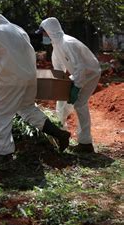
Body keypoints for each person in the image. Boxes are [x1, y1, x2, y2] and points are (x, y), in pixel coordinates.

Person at [0, 8, 70, 164]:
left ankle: (4, 155)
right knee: (27, 109)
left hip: (11, 80)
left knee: (1, 115)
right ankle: (60, 134)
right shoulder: (18, 29)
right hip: (29, 77)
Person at [36, 17, 101, 153]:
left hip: (90, 73)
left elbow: (81, 67)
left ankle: (85, 143)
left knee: (79, 103)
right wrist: (59, 86)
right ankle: (61, 131)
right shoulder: (56, 46)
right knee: (62, 101)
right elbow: (59, 71)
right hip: (78, 74)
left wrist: (76, 87)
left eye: (44, 33)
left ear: (50, 31)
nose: (43, 36)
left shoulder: (67, 43)